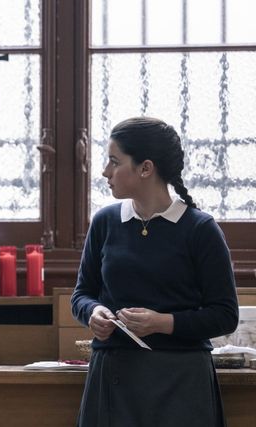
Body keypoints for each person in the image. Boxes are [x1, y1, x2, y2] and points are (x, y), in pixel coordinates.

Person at [71, 117, 238, 426]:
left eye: (114, 161)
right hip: (113, 376)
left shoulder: (201, 229)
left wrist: (162, 323)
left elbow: (225, 315)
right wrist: (93, 312)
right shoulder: (104, 222)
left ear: (145, 168)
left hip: (182, 381)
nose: (105, 171)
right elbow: (81, 295)